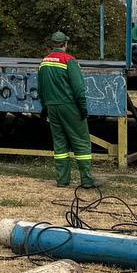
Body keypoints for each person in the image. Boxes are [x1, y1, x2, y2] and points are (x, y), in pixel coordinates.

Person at [37, 31, 97, 188]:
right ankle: (87, 180)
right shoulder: (69, 60)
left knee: (60, 143)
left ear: (52, 45)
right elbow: (78, 88)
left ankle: (62, 180)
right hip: (69, 106)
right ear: (65, 44)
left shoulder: (44, 62)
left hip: (52, 107)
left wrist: (44, 107)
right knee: (81, 141)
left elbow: (40, 88)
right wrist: (83, 108)